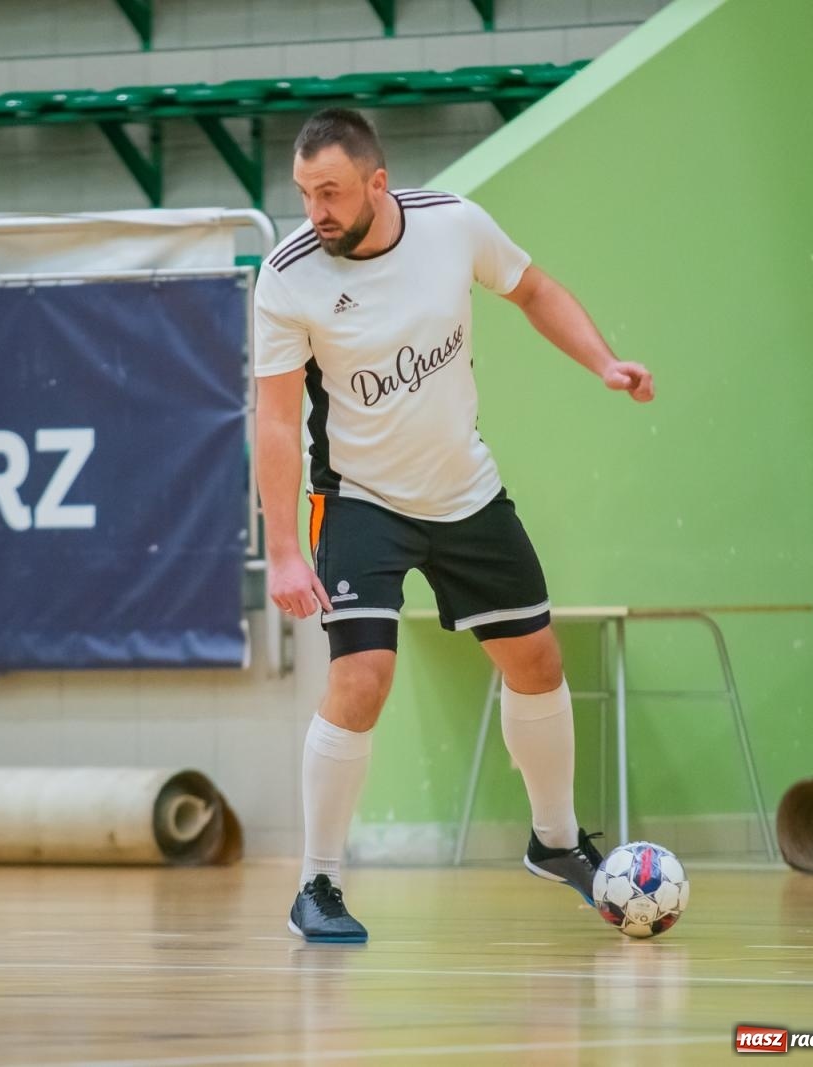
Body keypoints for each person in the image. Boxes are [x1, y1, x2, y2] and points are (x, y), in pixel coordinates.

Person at [254, 109, 655, 943]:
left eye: (329, 191)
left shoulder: (453, 224)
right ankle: (317, 884)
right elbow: (275, 419)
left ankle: (555, 843)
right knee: (362, 676)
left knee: (537, 659)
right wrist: (285, 548)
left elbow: (534, 288)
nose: (314, 209)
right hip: (360, 498)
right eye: (303, 192)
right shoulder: (288, 275)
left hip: (464, 489)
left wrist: (604, 362)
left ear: (376, 181)